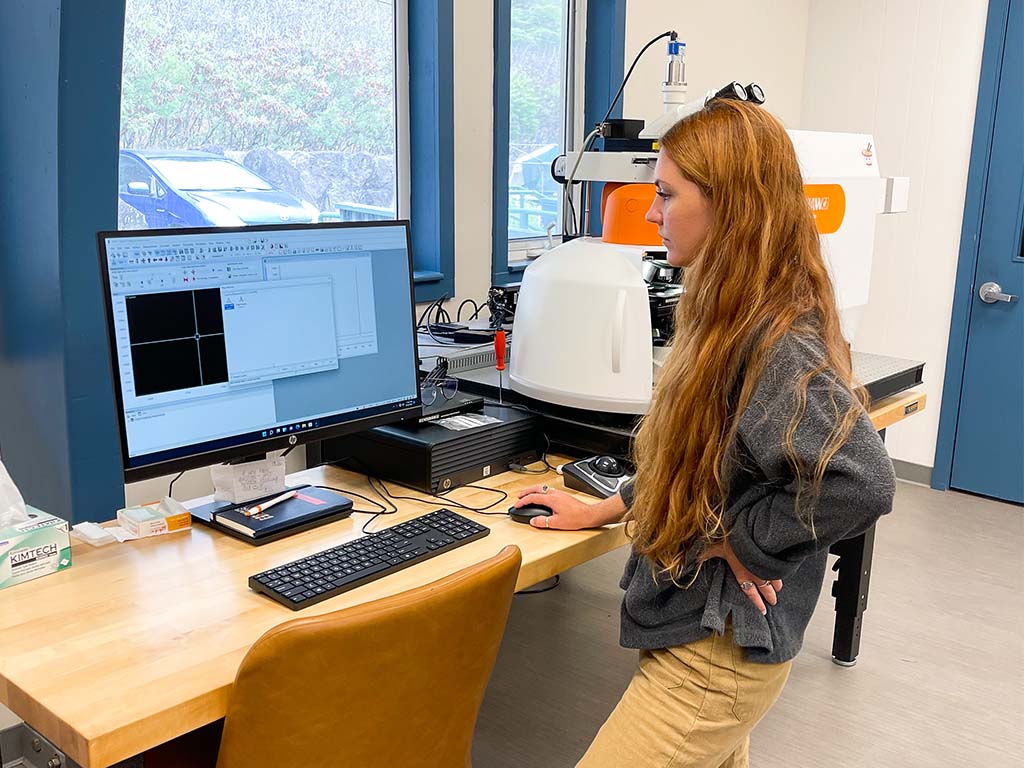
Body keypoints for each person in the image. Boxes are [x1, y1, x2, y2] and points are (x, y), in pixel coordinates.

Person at [512, 99, 896, 767]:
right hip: (712, 643)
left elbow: (862, 479)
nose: (653, 212)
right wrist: (602, 509)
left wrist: (747, 544)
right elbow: (701, 462)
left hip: (715, 654)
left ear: (730, 205)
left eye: (665, 194)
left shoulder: (772, 341)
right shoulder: (725, 314)